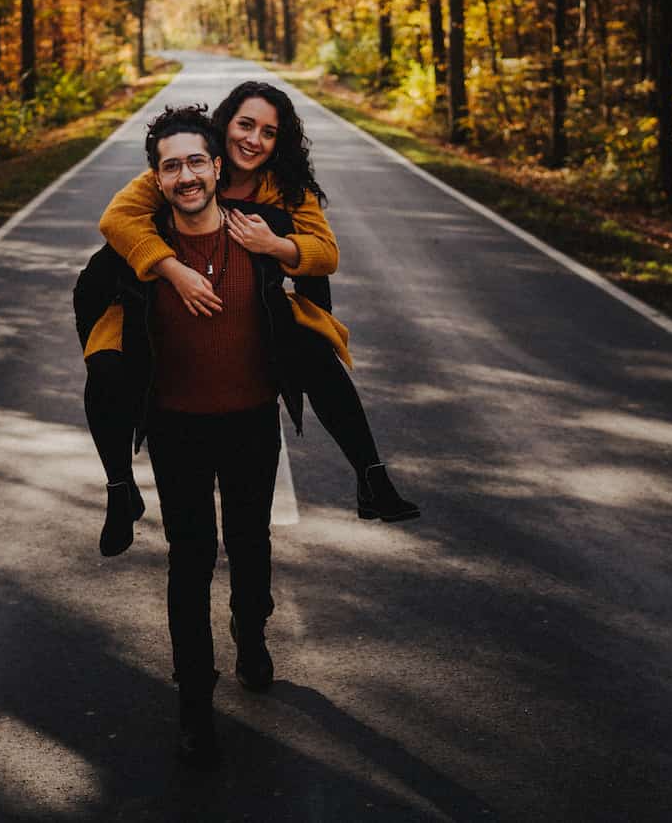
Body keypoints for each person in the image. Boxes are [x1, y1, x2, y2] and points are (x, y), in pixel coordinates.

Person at [82, 80, 417, 559]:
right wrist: (173, 270)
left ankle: (370, 474)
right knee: (106, 368)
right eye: (245, 124)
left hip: (253, 308)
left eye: (269, 132)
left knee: (318, 355)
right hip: (143, 296)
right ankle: (120, 489)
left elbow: (325, 253)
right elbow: (116, 221)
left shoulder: (283, 188)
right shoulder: (187, 167)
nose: (254, 139)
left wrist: (274, 245)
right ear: (225, 126)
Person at [74, 105, 311, 766]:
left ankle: (250, 625)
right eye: (171, 165)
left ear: (217, 166)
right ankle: (194, 703)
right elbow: (89, 312)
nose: (185, 175)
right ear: (157, 177)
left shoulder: (259, 234)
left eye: (196, 161)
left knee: (250, 543)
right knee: (190, 559)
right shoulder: (137, 253)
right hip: (177, 427)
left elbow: (315, 284)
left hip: (253, 421)